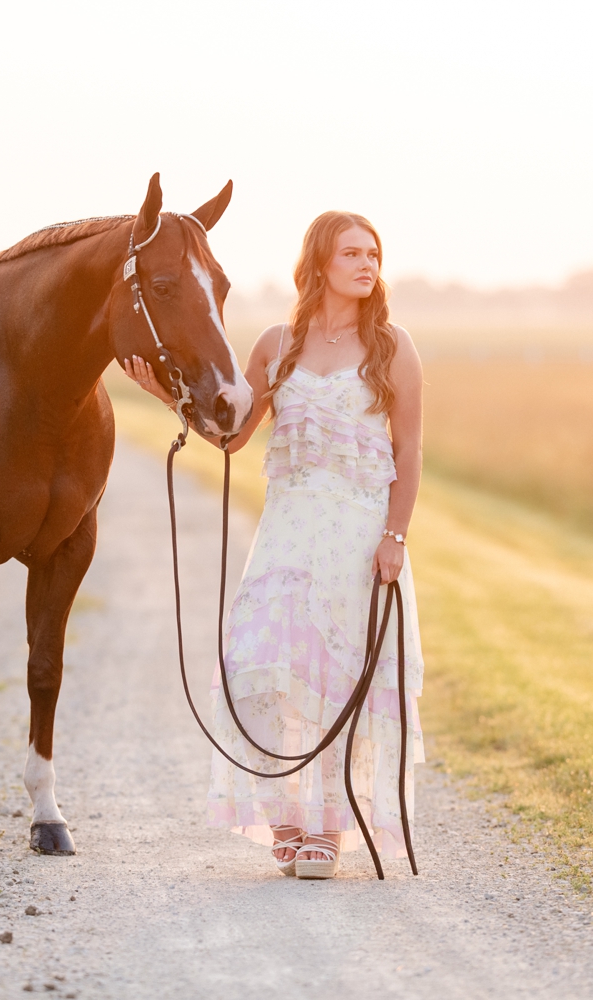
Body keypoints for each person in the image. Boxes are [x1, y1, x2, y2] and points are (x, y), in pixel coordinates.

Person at [123, 211, 425, 880]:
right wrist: (165, 397)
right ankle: (285, 814)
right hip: (287, 532)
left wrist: (395, 536)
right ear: (319, 263)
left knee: (337, 676)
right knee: (257, 668)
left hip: (358, 533)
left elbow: (409, 450)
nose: (367, 264)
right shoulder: (276, 344)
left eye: (373, 254)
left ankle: (328, 825)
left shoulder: (392, 346)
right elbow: (233, 439)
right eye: (351, 253)